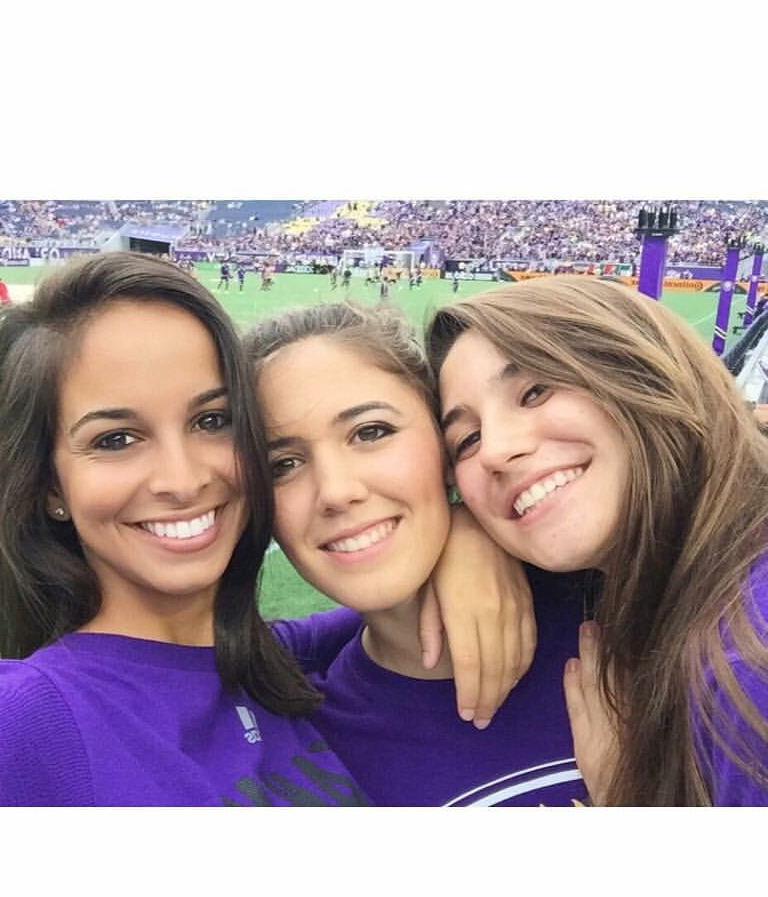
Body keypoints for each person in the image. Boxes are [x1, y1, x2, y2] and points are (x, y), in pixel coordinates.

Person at [0, 252, 369, 806]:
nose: (182, 480)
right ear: (51, 488)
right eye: (115, 439)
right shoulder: (25, 717)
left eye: (211, 420)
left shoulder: (285, 660)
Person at [426, 275, 768, 806]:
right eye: (466, 440)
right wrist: (461, 534)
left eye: (535, 391)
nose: (494, 450)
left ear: (643, 370)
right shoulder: (734, 553)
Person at [246, 303, 586, 806]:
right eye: (284, 464)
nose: (336, 491)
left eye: (371, 432)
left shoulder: (611, 603)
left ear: (446, 447)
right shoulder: (304, 749)